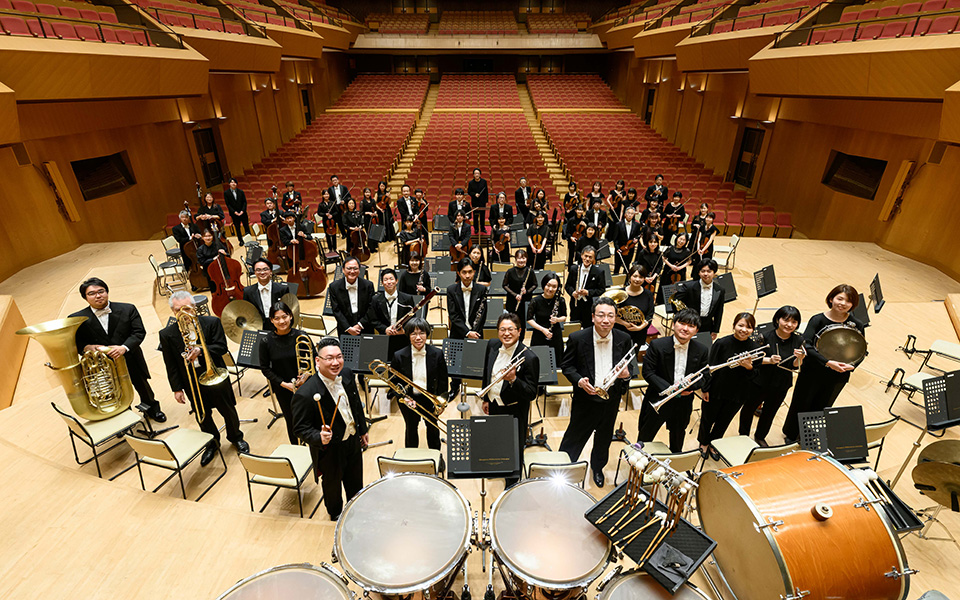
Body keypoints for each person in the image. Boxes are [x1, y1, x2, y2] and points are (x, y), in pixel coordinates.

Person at [159, 292, 249, 464]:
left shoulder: (211, 322)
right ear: (172, 311)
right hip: (191, 380)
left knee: (228, 410)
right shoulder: (166, 334)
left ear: (195, 308)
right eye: (178, 310)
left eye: (187, 308)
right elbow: (170, 364)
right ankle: (212, 443)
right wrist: (177, 389)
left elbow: (222, 347)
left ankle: (236, 437)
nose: (183, 313)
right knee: (202, 414)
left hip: (216, 376)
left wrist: (201, 350)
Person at [558, 297, 634, 487]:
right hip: (585, 399)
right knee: (574, 436)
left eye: (610, 316)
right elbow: (567, 366)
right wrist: (579, 381)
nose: (605, 320)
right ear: (593, 317)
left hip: (611, 399)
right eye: (601, 315)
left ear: (615, 318)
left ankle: (598, 468)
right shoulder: (578, 338)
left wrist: (626, 375)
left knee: (604, 436)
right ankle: (563, 468)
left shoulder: (623, 339)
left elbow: (629, 369)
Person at [291, 338, 368, 520]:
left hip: (352, 441)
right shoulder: (305, 393)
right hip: (329, 450)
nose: (335, 362)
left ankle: (355, 513)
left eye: (339, 357)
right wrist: (318, 436)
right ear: (317, 361)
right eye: (329, 358)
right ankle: (335, 516)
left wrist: (363, 429)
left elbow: (355, 405)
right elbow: (300, 428)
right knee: (332, 487)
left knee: (356, 481)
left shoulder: (347, 374)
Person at [71, 278, 165, 422]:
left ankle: (153, 409)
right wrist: (86, 347)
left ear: (107, 292)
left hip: (130, 356)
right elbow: (75, 342)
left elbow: (138, 332)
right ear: (85, 298)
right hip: (102, 364)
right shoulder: (77, 318)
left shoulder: (128, 309)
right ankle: (123, 416)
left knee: (142, 385)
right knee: (113, 390)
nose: (98, 296)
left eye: (101, 291)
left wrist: (124, 348)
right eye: (92, 293)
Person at [782, 285, 865, 443]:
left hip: (838, 374)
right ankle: (791, 435)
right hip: (813, 371)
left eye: (848, 301)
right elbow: (806, 344)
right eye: (839, 298)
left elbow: (861, 350)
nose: (843, 303)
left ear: (853, 304)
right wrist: (827, 362)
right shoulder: (818, 319)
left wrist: (853, 365)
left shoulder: (857, 324)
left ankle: (808, 437)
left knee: (823, 406)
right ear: (831, 298)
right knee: (801, 403)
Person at [637, 308, 710, 452]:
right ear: (674, 324)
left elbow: (704, 376)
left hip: (683, 403)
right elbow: (648, 372)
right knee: (646, 435)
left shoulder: (701, 350)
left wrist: (688, 388)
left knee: (678, 436)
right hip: (658, 397)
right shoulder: (657, 345)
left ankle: (676, 462)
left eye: (691, 326)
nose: (685, 328)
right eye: (682, 323)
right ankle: (637, 462)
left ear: (696, 331)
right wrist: (673, 390)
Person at [481, 313, 540, 488]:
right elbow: (487, 372)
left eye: (510, 330)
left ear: (519, 331)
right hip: (493, 403)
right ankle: (498, 468)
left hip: (514, 410)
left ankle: (512, 482)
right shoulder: (492, 345)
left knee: (514, 448)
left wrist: (514, 380)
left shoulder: (530, 358)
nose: (506, 333)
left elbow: (531, 394)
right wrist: (486, 398)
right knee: (496, 440)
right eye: (502, 330)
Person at [698, 312, 761, 460]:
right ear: (734, 326)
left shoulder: (755, 348)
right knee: (708, 418)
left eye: (749, 327)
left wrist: (748, 366)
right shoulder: (721, 343)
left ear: (753, 330)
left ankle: (714, 443)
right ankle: (704, 443)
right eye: (741, 325)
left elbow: (755, 375)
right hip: (716, 389)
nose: (744, 330)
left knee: (724, 420)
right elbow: (710, 367)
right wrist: (705, 389)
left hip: (738, 392)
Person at [740, 306, 805, 446]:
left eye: (794, 322)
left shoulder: (799, 340)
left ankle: (760, 436)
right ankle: (743, 436)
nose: (789, 325)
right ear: (777, 319)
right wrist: (769, 360)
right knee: (748, 409)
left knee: (769, 412)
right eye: (785, 320)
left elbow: (794, 365)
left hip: (781, 383)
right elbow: (753, 358)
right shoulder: (764, 336)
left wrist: (800, 358)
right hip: (759, 381)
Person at [258, 302, 311, 445]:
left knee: (310, 417)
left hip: (306, 385)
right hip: (283, 388)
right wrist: (285, 385)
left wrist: (305, 378)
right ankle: (297, 449)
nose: (281, 321)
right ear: (271, 320)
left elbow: (314, 361)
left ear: (291, 316)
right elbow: (265, 368)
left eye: (284, 316)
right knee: (292, 420)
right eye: (277, 318)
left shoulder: (302, 336)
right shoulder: (266, 341)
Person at [391, 318, 448, 451]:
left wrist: (441, 401)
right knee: (411, 429)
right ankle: (411, 459)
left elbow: (443, 380)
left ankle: (436, 458)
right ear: (408, 336)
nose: (418, 338)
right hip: (409, 399)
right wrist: (404, 397)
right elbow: (394, 382)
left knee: (433, 429)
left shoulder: (437, 354)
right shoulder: (399, 356)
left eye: (421, 333)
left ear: (427, 334)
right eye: (413, 334)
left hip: (430, 398)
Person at [447, 257, 488, 400]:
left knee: (477, 363)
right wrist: (467, 332)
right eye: (464, 272)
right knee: (455, 362)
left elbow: (482, 314)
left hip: (476, 332)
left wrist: (474, 331)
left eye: (470, 272)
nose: (467, 275)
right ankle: (454, 387)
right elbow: (453, 316)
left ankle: (479, 388)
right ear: (459, 273)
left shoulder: (481, 289)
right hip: (458, 332)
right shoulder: (451, 290)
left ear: (474, 272)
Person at [368, 268, 416, 356]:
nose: (389, 282)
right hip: (384, 339)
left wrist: (404, 330)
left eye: (391, 279)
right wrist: (385, 329)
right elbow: (373, 320)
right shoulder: (375, 299)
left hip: (403, 338)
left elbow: (413, 319)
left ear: (396, 281)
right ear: (382, 283)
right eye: (385, 280)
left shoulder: (407, 299)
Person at [677, 259, 724, 340]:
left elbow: (719, 311)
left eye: (709, 271)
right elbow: (675, 302)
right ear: (699, 272)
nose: (705, 274)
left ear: (714, 273)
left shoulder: (720, 290)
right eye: (703, 271)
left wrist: (715, 330)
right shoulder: (688, 287)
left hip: (707, 326)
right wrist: (683, 319)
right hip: (689, 324)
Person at [328, 257, 374, 338]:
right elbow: (336, 310)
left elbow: (371, 308)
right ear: (343, 269)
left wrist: (360, 325)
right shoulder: (334, 287)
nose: (352, 271)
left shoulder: (368, 285)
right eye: (349, 268)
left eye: (355, 268)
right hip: (345, 329)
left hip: (365, 327)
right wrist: (348, 328)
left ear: (359, 270)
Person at [242, 258, 290, 331]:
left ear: (270, 271)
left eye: (265, 269)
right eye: (258, 270)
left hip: (279, 326)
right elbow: (247, 312)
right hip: (258, 327)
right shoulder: (248, 291)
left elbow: (288, 311)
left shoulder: (282, 289)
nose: (262, 272)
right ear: (254, 272)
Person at [527, 272, 566, 360]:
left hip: (555, 335)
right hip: (539, 334)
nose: (550, 289)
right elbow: (529, 319)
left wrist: (557, 320)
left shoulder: (560, 300)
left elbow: (564, 317)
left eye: (554, 286)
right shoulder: (535, 301)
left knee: (557, 360)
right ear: (544, 284)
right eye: (548, 285)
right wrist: (543, 330)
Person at [613, 264, 655, 347]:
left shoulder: (648, 294)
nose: (637, 279)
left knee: (634, 356)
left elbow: (650, 315)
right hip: (620, 331)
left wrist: (639, 328)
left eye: (641, 277)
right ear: (630, 276)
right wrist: (626, 324)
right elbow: (612, 315)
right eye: (635, 276)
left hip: (639, 333)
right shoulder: (620, 294)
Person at [565, 246, 605, 328]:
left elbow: (601, 289)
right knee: (574, 326)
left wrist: (588, 292)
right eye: (586, 256)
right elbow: (567, 286)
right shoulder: (573, 269)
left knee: (588, 327)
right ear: (582, 255)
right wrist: (572, 292)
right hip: (575, 304)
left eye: (590, 257)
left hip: (589, 305)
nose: (587, 259)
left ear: (594, 258)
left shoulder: (599, 272)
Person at [503, 249, 536, 337]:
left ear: (527, 259)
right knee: (512, 321)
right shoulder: (510, 271)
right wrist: (515, 295)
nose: (521, 260)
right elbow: (505, 285)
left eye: (523, 258)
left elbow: (535, 284)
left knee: (523, 322)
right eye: (519, 258)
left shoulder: (530, 271)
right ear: (515, 259)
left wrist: (527, 291)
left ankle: (521, 339)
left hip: (525, 301)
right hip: (512, 301)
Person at [615, 205, 641, 275]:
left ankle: (625, 282)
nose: (630, 215)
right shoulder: (618, 224)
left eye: (632, 213)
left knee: (627, 266)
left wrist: (636, 240)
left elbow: (638, 235)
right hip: (620, 249)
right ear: (625, 214)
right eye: (628, 213)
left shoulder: (637, 225)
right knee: (617, 266)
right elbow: (615, 239)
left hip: (630, 249)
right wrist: (617, 248)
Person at [224, 178, 250, 244]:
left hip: (243, 213)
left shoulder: (241, 192)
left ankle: (249, 240)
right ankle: (240, 240)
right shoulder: (226, 193)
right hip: (234, 214)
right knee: (237, 228)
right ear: (229, 184)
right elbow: (228, 204)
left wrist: (242, 211)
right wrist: (234, 212)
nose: (233, 183)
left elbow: (244, 202)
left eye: (235, 182)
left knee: (246, 226)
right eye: (232, 182)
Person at [315, 189, 338, 254]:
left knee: (334, 235)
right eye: (325, 194)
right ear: (322, 195)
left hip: (333, 221)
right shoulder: (321, 204)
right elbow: (319, 213)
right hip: (325, 221)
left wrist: (332, 215)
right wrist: (325, 214)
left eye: (327, 194)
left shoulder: (332, 203)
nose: (326, 195)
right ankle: (330, 249)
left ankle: (335, 248)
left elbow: (337, 211)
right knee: (327, 235)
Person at [466, 168, 488, 233]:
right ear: (473, 175)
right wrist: (474, 194)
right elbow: (469, 192)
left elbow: (486, 191)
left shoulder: (484, 182)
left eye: (478, 173)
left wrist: (486, 201)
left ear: (480, 174)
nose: (477, 175)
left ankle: (482, 228)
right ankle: (476, 228)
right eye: (475, 173)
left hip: (482, 201)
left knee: (482, 216)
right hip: (475, 201)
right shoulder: (471, 183)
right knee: (475, 216)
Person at [360, 187, 379, 253]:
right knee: (369, 233)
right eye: (366, 192)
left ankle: (374, 246)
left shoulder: (373, 201)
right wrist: (368, 213)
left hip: (374, 219)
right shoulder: (362, 202)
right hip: (367, 219)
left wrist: (375, 213)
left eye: (368, 192)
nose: (367, 194)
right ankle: (371, 248)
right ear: (364, 194)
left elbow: (375, 209)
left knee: (374, 233)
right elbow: (361, 212)